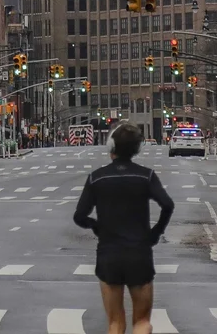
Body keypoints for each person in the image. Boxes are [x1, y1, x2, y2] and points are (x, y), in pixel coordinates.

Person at [74, 122, 174, 334]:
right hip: (139, 253)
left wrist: (96, 226)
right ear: (137, 149)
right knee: (142, 321)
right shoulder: (145, 176)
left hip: (109, 254)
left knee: (115, 322)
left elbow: (79, 216)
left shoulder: (96, 178)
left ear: (111, 147)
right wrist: (155, 233)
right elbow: (167, 205)